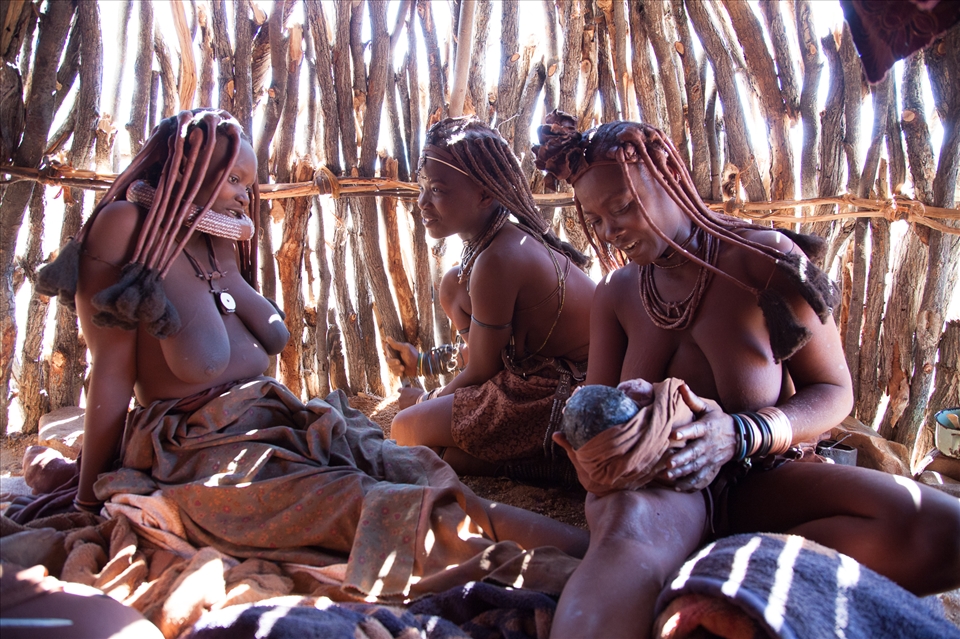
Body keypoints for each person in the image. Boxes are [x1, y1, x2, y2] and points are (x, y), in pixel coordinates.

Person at [30, 109, 588, 602]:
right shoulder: (126, 228)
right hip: (197, 447)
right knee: (376, 507)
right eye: (234, 179)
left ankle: (602, 557)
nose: (246, 194)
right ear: (183, 174)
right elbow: (109, 371)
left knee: (423, 475)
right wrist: (86, 493)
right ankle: (577, 578)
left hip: (282, 418)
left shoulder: (220, 237)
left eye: (249, 181)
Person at [532, 111, 960, 638]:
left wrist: (736, 434)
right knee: (629, 540)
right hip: (665, 488)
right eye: (595, 221)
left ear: (667, 171)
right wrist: (610, 442)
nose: (610, 230)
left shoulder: (765, 261)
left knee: (943, 530)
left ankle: (706, 569)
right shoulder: (618, 294)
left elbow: (835, 392)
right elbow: (593, 419)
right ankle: (684, 567)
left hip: (764, 476)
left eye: (622, 207)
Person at [387, 117, 596, 480]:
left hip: (570, 391)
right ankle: (527, 458)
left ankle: (549, 461)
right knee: (452, 285)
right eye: (423, 187)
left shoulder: (499, 259)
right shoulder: (475, 263)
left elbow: (484, 369)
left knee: (405, 430)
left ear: (485, 194)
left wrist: (427, 401)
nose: (422, 201)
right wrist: (425, 367)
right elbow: (480, 359)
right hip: (531, 377)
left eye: (437, 189)